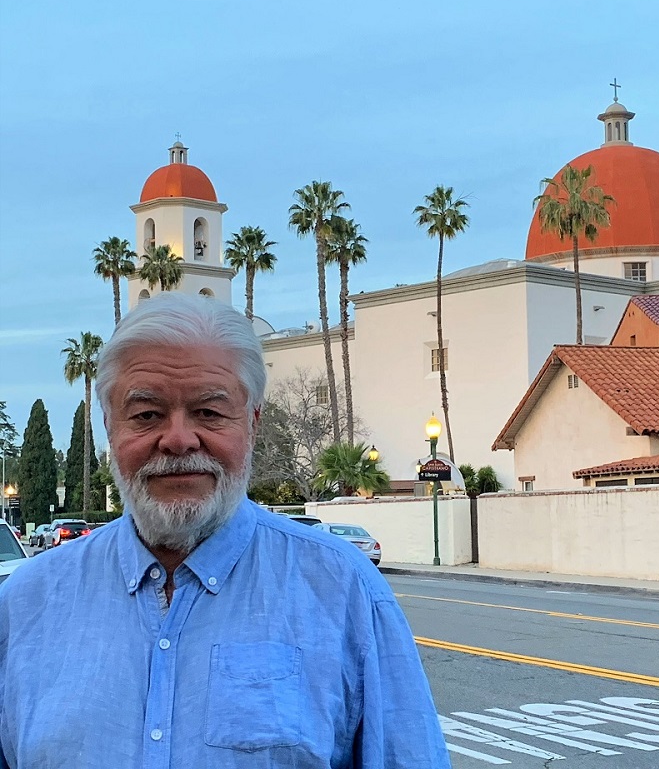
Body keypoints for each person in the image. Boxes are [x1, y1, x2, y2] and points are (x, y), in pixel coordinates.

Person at [0, 293, 450, 769]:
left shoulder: (346, 592)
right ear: (111, 429)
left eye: (209, 413)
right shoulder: (25, 605)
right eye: (147, 414)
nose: (178, 439)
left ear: (252, 424)